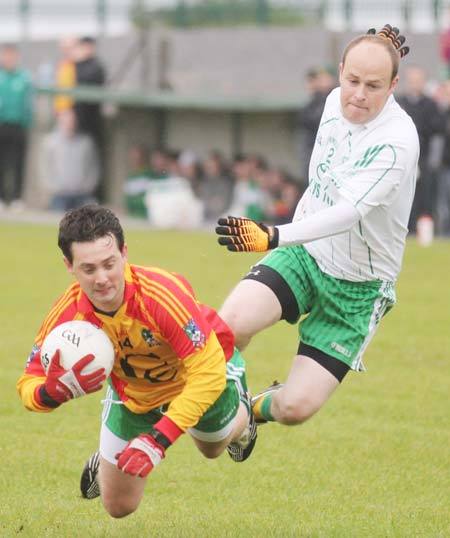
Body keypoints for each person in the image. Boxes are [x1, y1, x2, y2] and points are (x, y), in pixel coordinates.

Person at [215, 25, 419, 428]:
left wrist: (274, 234)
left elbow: (347, 213)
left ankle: (252, 411)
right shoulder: (331, 102)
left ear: (394, 85)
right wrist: (377, 48)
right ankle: (216, 413)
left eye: (374, 85)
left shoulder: (398, 141)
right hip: (305, 254)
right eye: (353, 80)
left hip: (357, 288)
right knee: (229, 327)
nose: (359, 94)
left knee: (295, 409)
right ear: (340, 71)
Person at [16, 204, 256, 518]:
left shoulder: (160, 294)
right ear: (69, 266)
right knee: (119, 507)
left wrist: (159, 439)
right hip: (134, 395)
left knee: (212, 448)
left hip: (196, 379)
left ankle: (245, 414)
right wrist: (49, 393)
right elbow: (28, 382)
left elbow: (208, 373)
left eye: (109, 264)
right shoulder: (67, 315)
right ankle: (108, 459)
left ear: (124, 253)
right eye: (88, 269)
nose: (102, 279)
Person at [396, 65, 444, 235]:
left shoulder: (431, 105)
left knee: (425, 196)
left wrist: (432, 161)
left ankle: (423, 230)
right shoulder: (399, 103)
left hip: (423, 157)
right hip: (402, 158)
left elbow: (437, 131)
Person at [40, 108, 100, 211]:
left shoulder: (86, 142)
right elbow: (44, 166)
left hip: (81, 194)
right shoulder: (50, 142)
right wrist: (51, 186)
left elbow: (94, 166)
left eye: (72, 119)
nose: (70, 122)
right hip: (59, 194)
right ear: (60, 120)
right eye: (67, 119)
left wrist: (88, 186)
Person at [0, 43, 33, 211]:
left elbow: (28, 104)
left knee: (18, 162)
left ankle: (16, 198)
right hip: (1, 124)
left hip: (18, 125)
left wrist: (28, 122)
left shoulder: (24, 78)